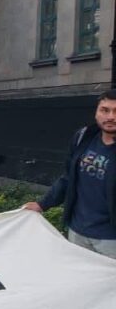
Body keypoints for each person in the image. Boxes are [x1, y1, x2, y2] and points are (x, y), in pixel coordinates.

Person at [25, 90, 116, 258]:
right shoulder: (83, 138)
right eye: (105, 110)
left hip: (111, 240)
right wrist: (42, 204)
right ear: (96, 112)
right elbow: (68, 178)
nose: (111, 117)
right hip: (77, 231)